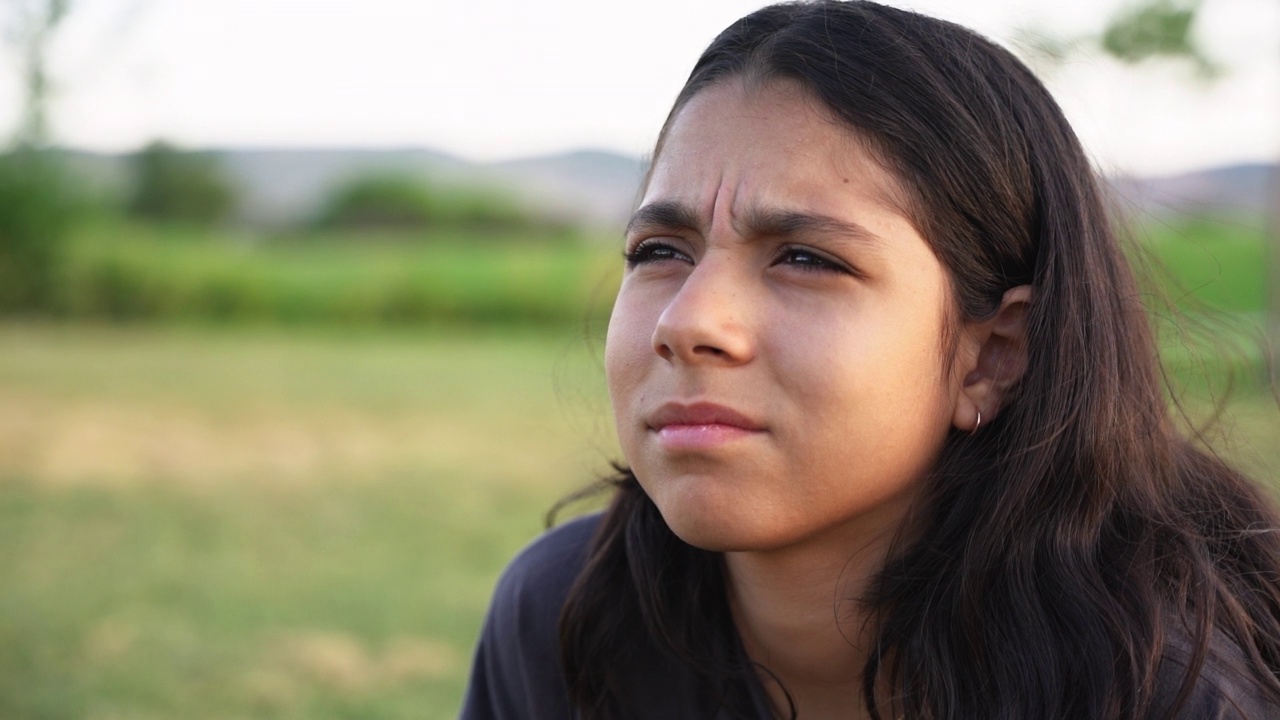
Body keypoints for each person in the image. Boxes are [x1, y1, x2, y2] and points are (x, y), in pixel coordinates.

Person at [460, 1, 1280, 718]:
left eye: (807, 259)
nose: (689, 321)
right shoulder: (570, 624)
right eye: (660, 249)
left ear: (993, 355)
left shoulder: (1157, 690)